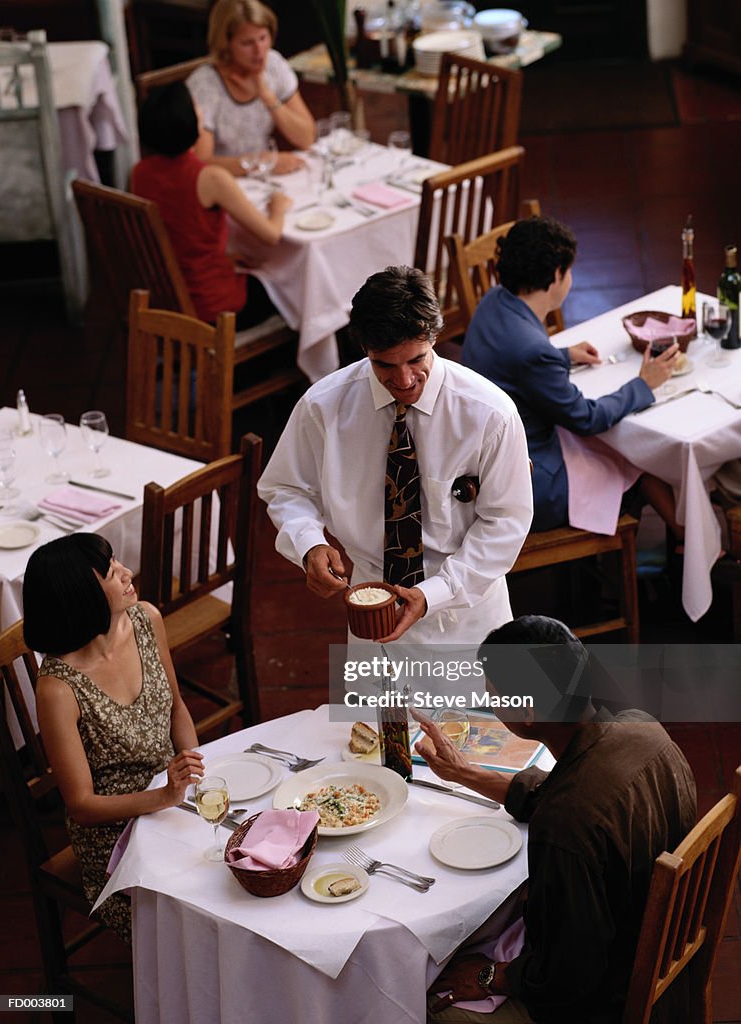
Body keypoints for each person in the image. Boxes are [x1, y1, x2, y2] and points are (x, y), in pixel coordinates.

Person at [416, 615, 697, 1024]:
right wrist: (463, 773)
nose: (487, 698)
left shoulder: (564, 826)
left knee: (425, 1000)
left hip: (607, 999)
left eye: (493, 693)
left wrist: (491, 976)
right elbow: (561, 792)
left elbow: (567, 978)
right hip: (663, 952)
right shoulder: (642, 729)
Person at [257, 265, 534, 647]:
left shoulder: (490, 414)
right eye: (385, 365)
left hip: (466, 612)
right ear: (364, 350)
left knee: (474, 709)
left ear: (434, 337)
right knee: (373, 709)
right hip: (371, 601)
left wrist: (434, 593)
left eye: (417, 360)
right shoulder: (323, 407)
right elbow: (286, 487)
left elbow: (506, 521)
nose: (404, 381)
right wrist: (308, 544)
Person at [22, 534, 204, 944]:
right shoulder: (57, 688)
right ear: (81, 596)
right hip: (114, 840)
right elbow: (82, 806)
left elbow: (176, 707)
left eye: (118, 561)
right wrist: (166, 797)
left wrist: (193, 772)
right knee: (199, 914)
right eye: (111, 572)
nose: (127, 573)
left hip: (171, 802)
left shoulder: (145, 619)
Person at [462, 216, 684, 540]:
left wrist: (563, 355)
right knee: (637, 455)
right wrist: (643, 384)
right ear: (556, 276)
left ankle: (680, 539)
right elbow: (586, 418)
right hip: (530, 481)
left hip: (486, 461)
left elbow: (513, 360)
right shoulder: (533, 351)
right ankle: (661, 547)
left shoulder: (493, 300)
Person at [131, 79, 291, 328]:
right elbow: (271, 235)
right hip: (211, 308)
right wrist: (278, 207)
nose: (200, 112)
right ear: (188, 121)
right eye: (196, 108)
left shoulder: (139, 173)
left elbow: (177, 231)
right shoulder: (209, 177)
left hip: (164, 297)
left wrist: (223, 258)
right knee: (288, 285)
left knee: (258, 270)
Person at [187, 0, 315, 177]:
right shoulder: (205, 85)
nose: (259, 50)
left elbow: (306, 138)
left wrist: (266, 95)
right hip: (222, 185)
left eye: (263, 38)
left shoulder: (274, 64)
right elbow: (201, 161)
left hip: (261, 179)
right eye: (247, 43)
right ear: (226, 44)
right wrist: (262, 163)